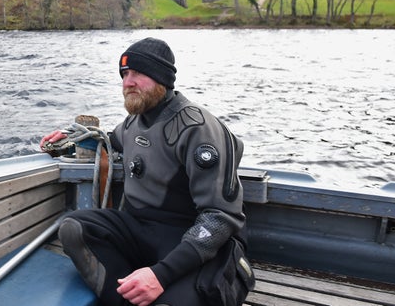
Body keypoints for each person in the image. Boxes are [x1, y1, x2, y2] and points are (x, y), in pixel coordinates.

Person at [41, 37, 250, 306]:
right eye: (125, 74)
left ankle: (151, 286)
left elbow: (220, 219)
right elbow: (108, 141)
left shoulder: (196, 128)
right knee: (74, 228)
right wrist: (66, 142)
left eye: (138, 73)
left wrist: (161, 275)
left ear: (162, 78)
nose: (128, 82)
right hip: (142, 231)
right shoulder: (133, 123)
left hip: (191, 241)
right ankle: (129, 296)